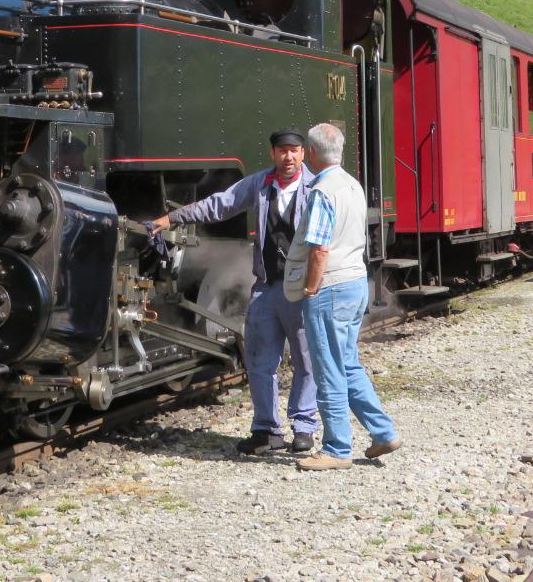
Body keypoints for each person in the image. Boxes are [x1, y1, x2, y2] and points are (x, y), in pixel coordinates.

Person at [149, 129, 318, 455]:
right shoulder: (259, 184)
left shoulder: (316, 188)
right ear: (273, 154)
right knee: (259, 361)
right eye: (282, 151)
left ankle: (304, 427)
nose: (288, 157)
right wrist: (172, 218)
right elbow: (220, 205)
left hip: (301, 289)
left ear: (303, 154)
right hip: (267, 288)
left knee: (305, 360)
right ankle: (267, 431)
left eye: (294, 151)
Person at [285, 122, 400, 471]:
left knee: (329, 369)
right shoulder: (352, 185)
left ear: (313, 154)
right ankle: (383, 432)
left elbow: (319, 249)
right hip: (355, 283)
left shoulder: (322, 191)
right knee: (348, 362)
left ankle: (336, 449)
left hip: (330, 287)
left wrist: (309, 288)